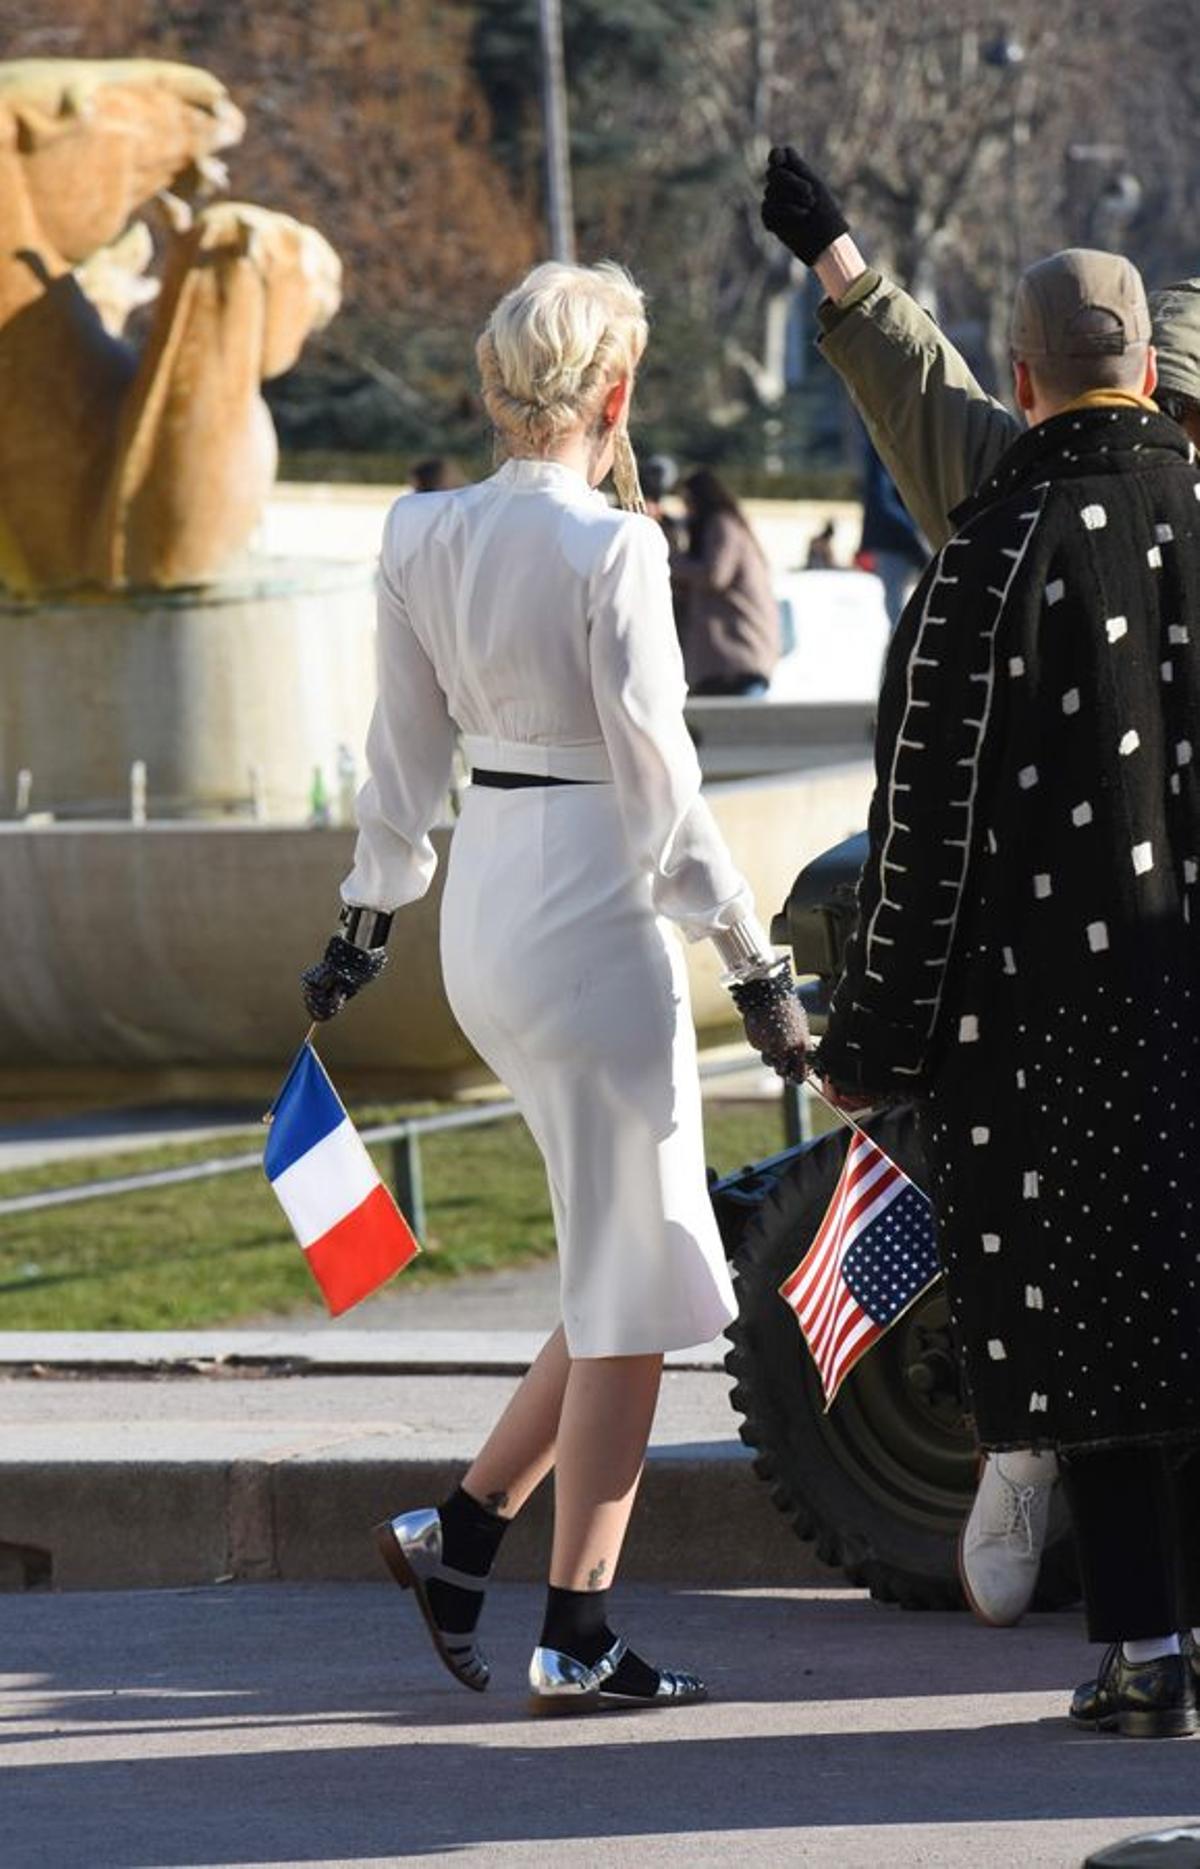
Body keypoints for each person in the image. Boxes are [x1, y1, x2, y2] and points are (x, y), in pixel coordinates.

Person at [299, 260, 808, 1716]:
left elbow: (400, 760)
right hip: (588, 908)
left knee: (617, 1255)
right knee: (633, 1279)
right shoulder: (610, 548)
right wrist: (755, 962)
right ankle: (572, 1626)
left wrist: (367, 914)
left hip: (486, 912)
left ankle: (461, 1529)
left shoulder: (421, 530)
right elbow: (663, 787)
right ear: (617, 394)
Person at [762, 145, 1200, 1630]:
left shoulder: (1001, 545)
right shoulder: (1018, 518)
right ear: (1149, 376)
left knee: (1105, 1331)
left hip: (1063, 1031)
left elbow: (927, 830)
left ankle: (1142, 1643)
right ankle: (1044, 1491)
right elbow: (928, 398)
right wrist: (837, 262)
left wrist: (870, 1042)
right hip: (1109, 1012)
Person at [671, 468, 780, 695]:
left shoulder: (722, 524)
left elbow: (715, 576)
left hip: (736, 662)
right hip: (727, 664)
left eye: (688, 502)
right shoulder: (730, 526)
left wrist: (668, 560)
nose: (687, 511)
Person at [856, 444, 928, 629]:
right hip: (899, 539)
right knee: (898, 615)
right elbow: (881, 500)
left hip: (906, 536)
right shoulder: (882, 447)